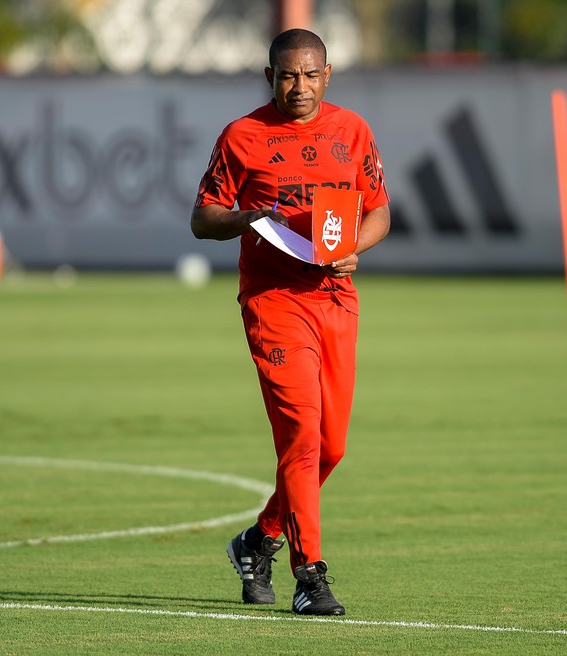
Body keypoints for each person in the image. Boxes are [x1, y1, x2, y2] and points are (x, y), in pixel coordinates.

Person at [190, 28, 390, 616]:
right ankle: (311, 576)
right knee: (301, 437)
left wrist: (354, 247)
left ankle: (258, 540)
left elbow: (379, 210)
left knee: (331, 449)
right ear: (269, 77)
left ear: (327, 75)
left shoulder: (352, 130)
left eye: (308, 74)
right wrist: (246, 217)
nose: (298, 85)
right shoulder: (242, 135)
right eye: (286, 75)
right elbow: (203, 218)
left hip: (335, 296)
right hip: (274, 301)